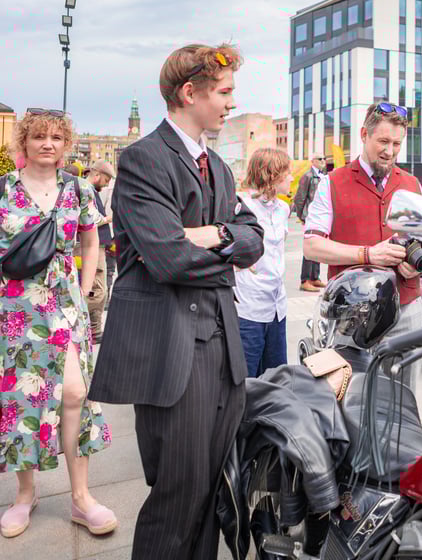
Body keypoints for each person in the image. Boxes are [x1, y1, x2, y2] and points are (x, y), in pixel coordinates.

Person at [88, 43, 265, 559]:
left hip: (223, 352)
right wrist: (225, 243)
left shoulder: (221, 167)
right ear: (191, 92)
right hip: (172, 354)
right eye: (225, 92)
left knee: (214, 492)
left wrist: (207, 235)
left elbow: (253, 238)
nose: (232, 103)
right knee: (177, 496)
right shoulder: (144, 159)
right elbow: (168, 259)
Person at [1, 110, 117, 537]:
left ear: (66, 144)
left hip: (66, 307)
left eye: (56, 137)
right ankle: (24, 494)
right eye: (38, 137)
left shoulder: (79, 188)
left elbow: (92, 240)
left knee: (74, 392)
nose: (47, 144)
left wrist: (85, 291)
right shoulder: (3, 190)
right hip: (16, 309)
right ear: (24, 143)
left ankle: (80, 497)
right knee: (22, 399)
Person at [303, 102, 422, 391]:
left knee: (405, 405)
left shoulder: (411, 183)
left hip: (407, 311)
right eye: (383, 141)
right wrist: (368, 254)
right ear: (364, 134)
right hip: (352, 319)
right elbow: (312, 246)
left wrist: (417, 266)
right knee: (350, 403)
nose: (390, 151)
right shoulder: (332, 182)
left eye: (396, 144)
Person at [235, 148, 292, 378]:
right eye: (286, 172)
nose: (291, 177)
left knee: (277, 380)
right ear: (272, 174)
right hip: (249, 309)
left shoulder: (284, 209)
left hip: (278, 306)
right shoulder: (240, 206)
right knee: (246, 383)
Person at [81, 160, 115, 344]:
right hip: (92, 247)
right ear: (97, 175)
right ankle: (79, 322)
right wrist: (110, 218)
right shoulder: (86, 190)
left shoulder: (89, 190)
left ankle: (94, 330)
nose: (108, 183)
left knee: (97, 290)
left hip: (97, 246)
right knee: (98, 291)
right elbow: (90, 220)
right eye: (106, 179)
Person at [294, 152, 327, 292]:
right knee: (309, 248)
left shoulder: (321, 176)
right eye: (320, 159)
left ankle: (314, 277)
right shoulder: (307, 176)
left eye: (325, 159)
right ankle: (305, 279)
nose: (323, 161)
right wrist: (302, 216)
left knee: (318, 247)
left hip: (319, 217)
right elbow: (300, 197)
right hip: (310, 216)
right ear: (313, 161)